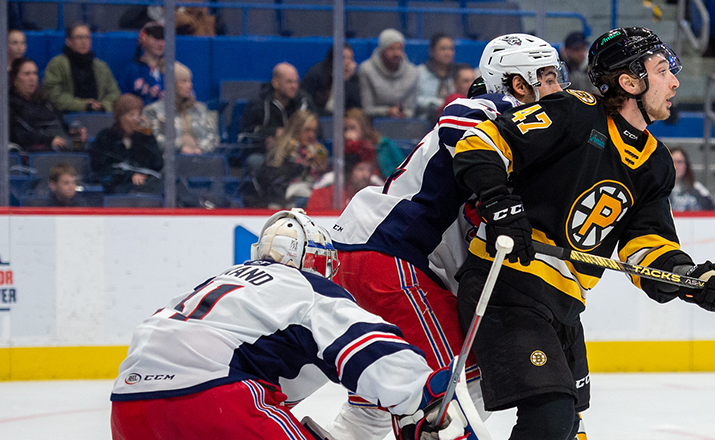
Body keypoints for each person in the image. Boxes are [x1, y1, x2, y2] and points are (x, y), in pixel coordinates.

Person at [452, 27, 715, 440]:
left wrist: (695, 281)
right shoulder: (575, 112)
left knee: (570, 430)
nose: (675, 81)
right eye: (663, 70)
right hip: (507, 285)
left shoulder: (656, 164)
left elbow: (646, 247)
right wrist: (500, 202)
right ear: (629, 82)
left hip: (566, 305)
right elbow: (481, 141)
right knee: (550, 419)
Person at [330, 33, 574, 439]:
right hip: (390, 256)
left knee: (382, 387)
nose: (559, 89)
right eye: (548, 77)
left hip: (367, 253)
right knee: (459, 380)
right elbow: (458, 117)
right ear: (518, 84)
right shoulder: (498, 110)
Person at [109, 209, 485, 440]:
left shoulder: (218, 281)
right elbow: (372, 349)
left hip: (128, 409)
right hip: (214, 403)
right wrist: (424, 394)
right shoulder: (304, 285)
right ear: (316, 261)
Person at [252, 110, 328, 208]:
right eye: (307, 130)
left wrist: (322, 171)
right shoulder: (280, 152)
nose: (311, 135)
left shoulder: (318, 151)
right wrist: (300, 166)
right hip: (285, 202)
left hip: (312, 198)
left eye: (314, 131)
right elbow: (273, 182)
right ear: (296, 129)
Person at [90, 94, 164, 194]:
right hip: (118, 189)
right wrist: (130, 176)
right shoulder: (106, 137)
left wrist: (148, 135)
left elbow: (157, 164)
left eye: (138, 115)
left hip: (145, 188)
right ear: (120, 117)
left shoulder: (143, 138)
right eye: (131, 115)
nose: (136, 120)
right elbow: (101, 169)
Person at [142, 63, 218, 155]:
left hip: (201, 158)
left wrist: (201, 150)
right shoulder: (153, 110)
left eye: (190, 81)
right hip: (170, 161)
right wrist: (179, 148)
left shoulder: (200, 109)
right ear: (172, 85)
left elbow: (213, 138)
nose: (189, 85)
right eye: (184, 81)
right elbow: (153, 139)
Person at [43, 23, 120, 113]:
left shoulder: (101, 66)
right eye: (79, 37)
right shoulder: (57, 64)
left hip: (99, 116)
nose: (84, 41)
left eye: (87, 37)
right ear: (68, 41)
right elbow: (53, 95)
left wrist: (102, 106)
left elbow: (114, 94)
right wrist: (83, 105)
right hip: (65, 117)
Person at [240, 62, 318, 145]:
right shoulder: (259, 104)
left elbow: (318, 130)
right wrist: (274, 132)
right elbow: (245, 133)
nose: (294, 86)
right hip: (265, 151)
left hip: (298, 150)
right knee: (255, 158)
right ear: (275, 83)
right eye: (289, 82)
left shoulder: (304, 101)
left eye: (296, 82)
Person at [9, 58, 72, 152]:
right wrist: (48, 141)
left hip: (58, 148)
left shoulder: (46, 103)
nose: (32, 78)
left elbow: (61, 125)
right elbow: (16, 134)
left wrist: (73, 133)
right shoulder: (9, 104)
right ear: (15, 79)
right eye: (27, 74)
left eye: (34, 73)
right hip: (31, 152)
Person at [359, 29, 418, 119]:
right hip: (373, 123)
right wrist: (387, 111)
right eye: (391, 48)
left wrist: (403, 113)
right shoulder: (366, 70)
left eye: (400, 48)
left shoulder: (412, 72)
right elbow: (367, 108)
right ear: (382, 50)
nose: (397, 53)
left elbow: (411, 110)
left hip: (404, 124)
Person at [301, 43, 362, 114]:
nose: (348, 62)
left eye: (350, 58)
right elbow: (328, 108)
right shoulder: (316, 74)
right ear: (333, 58)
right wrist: (340, 82)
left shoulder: (353, 78)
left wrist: (345, 81)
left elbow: (356, 107)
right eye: (343, 58)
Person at [343, 108, 402, 178]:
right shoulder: (343, 148)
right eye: (345, 129)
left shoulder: (384, 144)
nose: (347, 134)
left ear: (363, 127)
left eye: (352, 128)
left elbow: (403, 169)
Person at [306, 154, 378, 211]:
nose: (366, 175)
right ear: (348, 172)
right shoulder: (325, 193)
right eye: (360, 169)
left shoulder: (375, 195)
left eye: (369, 170)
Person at [120, 22, 167, 105]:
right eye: (156, 38)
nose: (161, 43)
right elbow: (123, 101)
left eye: (163, 39)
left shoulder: (172, 70)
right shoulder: (132, 70)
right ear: (144, 39)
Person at [416, 34, 457, 119]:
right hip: (425, 120)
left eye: (450, 49)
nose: (448, 53)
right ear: (432, 51)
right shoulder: (419, 72)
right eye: (443, 49)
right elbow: (414, 100)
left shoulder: (457, 73)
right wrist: (440, 104)